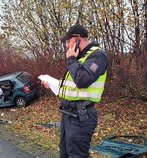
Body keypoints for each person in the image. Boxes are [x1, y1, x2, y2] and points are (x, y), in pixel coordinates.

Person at [42, 24, 108, 158]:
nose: (67, 45)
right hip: (68, 115)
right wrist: (54, 85)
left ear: (78, 38)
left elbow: (82, 80)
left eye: (68, 41)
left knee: (77, 155)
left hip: (81, 117)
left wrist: (71, 59)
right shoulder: (80, 58)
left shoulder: (98, 56)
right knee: (65, 154)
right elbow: (72, 86)